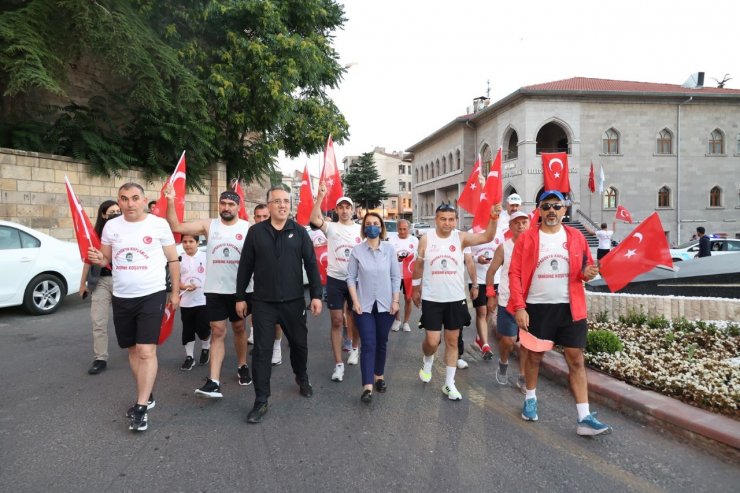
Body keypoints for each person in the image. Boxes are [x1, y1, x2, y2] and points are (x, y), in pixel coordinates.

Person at [508, 190, 611, 436]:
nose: (551, 211)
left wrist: (588, 273)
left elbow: (585, 268)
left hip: (570, 307)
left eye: (556, 206)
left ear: (565, 209)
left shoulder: (576, 237)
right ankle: (530, 399)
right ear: (539, 211)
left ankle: (584, 417)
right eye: (546, 206)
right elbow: (515, 273)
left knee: (576, 359)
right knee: (534, 357)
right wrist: (520, 307)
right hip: (537, 308)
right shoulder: (528, 239)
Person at [87, 182, 180, 432]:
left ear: (144, 199)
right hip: (122, 296)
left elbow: (172, 259)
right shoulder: (111, 226)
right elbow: (106, 258)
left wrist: (175, 292)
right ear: (119, 201)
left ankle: (140, 407)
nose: (130, 203)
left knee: (146, 351)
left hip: (152, 294)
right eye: (124, 199)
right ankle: (146, 394)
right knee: (131, 351)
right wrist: (99, 258)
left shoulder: (158, 224)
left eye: (135, 198)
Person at [235, 186, 323, 424]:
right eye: (277, 201)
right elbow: (245, 267)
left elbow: (312, 265)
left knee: (299, 345)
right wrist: (240, 296)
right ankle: (261, 400)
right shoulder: (255, 232)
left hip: (294, 302)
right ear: (269, 205)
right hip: (262, 303)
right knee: (262, 352)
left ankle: (301, 377)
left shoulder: (300, 232)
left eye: (286, 201)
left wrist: (316, 295)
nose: (282, 205)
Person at [164, 185, 251, 398]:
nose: (227, 207)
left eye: (231, 204)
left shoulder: (248, 227)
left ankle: (242, 365)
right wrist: (170, 200)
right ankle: (214, 381)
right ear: (219, 205)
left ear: (238, 207)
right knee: (218, 331)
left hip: (239, 290)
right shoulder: (209, 225)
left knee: (239, 328)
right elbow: (175, 225)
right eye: (223, 203)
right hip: (214, 289)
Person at [412, 202, 502, 401]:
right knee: (432, 341)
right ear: (436, 220)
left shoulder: (460, 238)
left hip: (455, 299)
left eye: (451, 219)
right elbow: (418, 265)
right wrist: (415, 288)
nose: (447, 223)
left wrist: (493, 218)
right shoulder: (426, 239)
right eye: (443, 219)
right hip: (432, 299)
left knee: (452, 342)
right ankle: (428, 360)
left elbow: (487, 236)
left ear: (456, 221)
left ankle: (449, 384)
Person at [347, 213, 401, 404]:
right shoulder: (357, 251)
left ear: (381, 227)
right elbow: (350, 278)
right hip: (364, 306)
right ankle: (367, 387)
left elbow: (396, 277)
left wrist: (396, 301)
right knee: (368, 343)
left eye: (375, 224)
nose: (372, 227)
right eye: (368, 224)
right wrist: (355, 301)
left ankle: (379, 376)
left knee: (382, 342)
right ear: (364, 228)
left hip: (386, 305)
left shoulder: (389, 250)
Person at [310, 188, 362, 383]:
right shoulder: (331, 227)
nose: (345, 210)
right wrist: (321, 198)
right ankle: (338, 364)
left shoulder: (360, 229)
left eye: (348, 207)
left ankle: (355, 348)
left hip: (356, 280)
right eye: (341, 207)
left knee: (355, 317)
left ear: (353, 210)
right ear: (337, 210)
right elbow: (314, 219)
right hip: (335, 280)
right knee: (337, 320)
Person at [486, 211, 530, 388]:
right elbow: (491, 272)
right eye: (516, 223)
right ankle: (503, 362)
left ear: (529, 225)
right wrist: (491, 295)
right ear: (510, 227)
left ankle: (523, 376)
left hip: (529, 303)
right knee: (508, 341)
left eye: (524, 222)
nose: (520, 226)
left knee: (527, 343)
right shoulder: (504, 247)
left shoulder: (536, 246)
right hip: (507, 301)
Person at [80, 199, 121, 375]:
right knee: (98, 321)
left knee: (126, 321)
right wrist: (82, 283)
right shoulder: (94, 235)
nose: (116, 215)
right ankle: (100, 358)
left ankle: (139, 349)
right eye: (112, 212)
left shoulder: (126, 231)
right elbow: (88, 260)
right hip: (101, 282)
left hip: (122, 281)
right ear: (103, 215)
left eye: (118, 211)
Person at [245, 203, 285, 365]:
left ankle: (277, 348)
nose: (261, 220)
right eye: (258, 216)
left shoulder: (278, 234)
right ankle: (259, 342)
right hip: (253, 286)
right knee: (255, 317)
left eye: (265, 216)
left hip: (274, 287)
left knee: (276, 321)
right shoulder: (251, 233)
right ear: (254, 218)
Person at [463, 230, 499, 362]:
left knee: (490, 310)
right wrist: (476, 258)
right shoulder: (471, 233)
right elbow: (465, 257)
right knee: (482, 311)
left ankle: (480, 338)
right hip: (478, 280)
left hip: (496, 279)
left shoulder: (499, 231)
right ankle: (485, 345)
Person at [178, 233, 211, 371]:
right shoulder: (178, 259)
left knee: (203, 329)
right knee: (188, 330)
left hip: (202, 300)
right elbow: (176, 280)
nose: (188, 244)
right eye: (185, 241)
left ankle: (206, 347)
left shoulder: (205, 257)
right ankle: (189, 357)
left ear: (197, 243)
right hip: (186, 302)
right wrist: (184, 287)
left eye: (191, 241)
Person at [387, 219, 418, 332]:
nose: (402, 231)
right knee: (395, 298)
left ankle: (406, 322)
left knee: (408, 299)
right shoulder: (391, 240)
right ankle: (397, 319)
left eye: (405, 229)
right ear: (397, 229)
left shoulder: (414, 240)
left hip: (409, 275)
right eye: (400, 229)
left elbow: (418, 258)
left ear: (408, 229)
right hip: (395, 274)